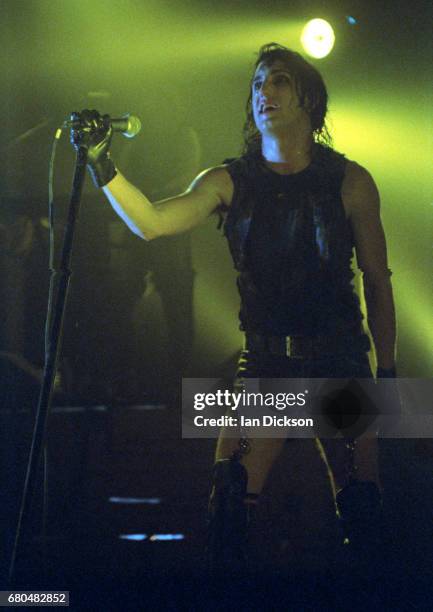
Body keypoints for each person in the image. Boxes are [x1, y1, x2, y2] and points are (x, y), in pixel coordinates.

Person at [71, 42, 397, 569]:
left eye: (280, 82)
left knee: (363, 512)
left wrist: (388, 374)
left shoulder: (349, 181)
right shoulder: (229, 181)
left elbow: (378, 283)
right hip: (266, 363)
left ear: (309, 98)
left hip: (339, 360)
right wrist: (100, 163)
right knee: (228, 505)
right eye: (258, 84)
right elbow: (152, 222)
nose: (264, 93)